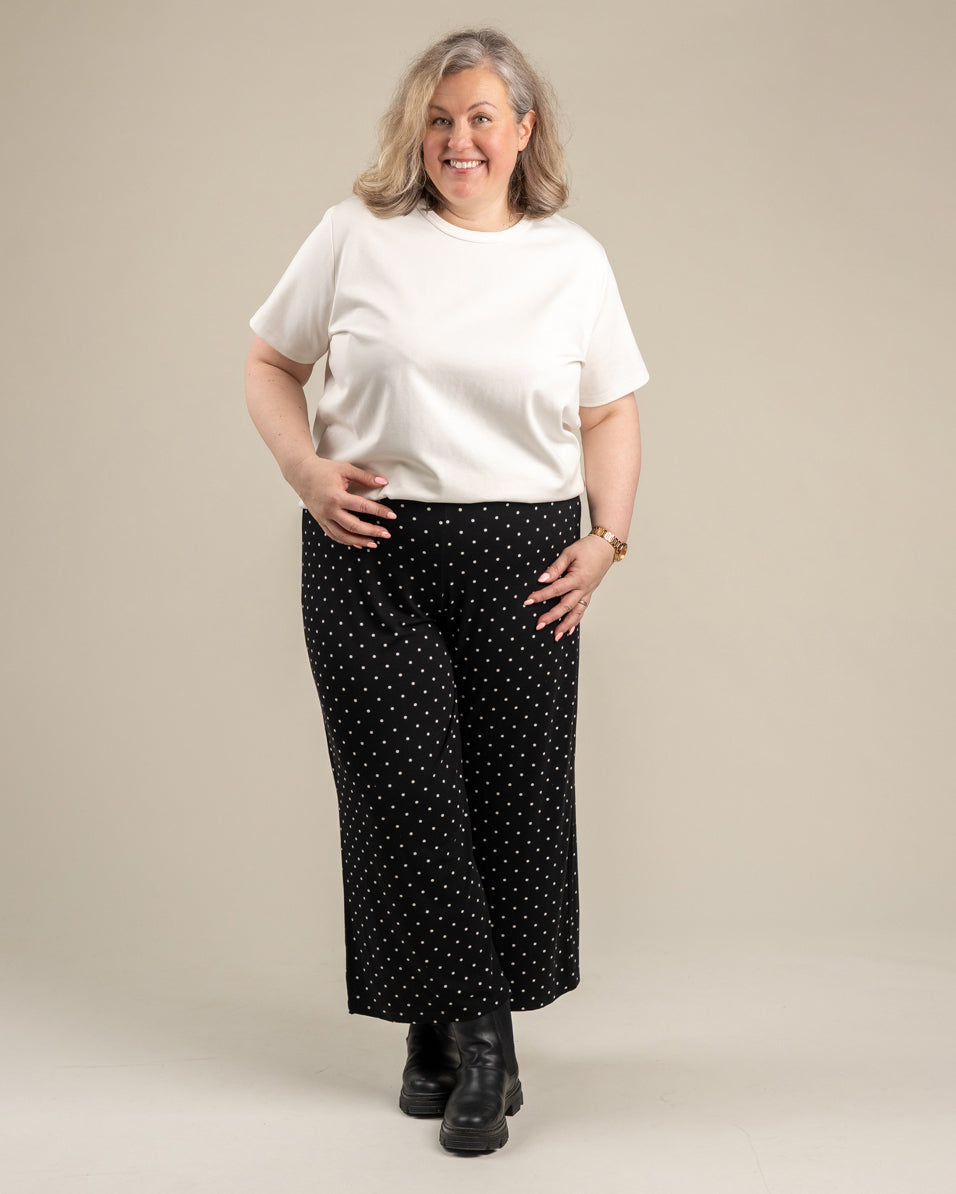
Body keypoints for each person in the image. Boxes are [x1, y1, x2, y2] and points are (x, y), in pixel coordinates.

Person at [244, 26, 649, 1154]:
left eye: (479, 118)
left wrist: (607, 539)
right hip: (370, 551)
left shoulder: (573, 260)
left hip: (524, 558)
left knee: (510, 800)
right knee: (406, 795)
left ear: (523, 131)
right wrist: (304, 469)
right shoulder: (354, 235)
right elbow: (271, 363)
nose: (457, 140)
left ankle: (434, 1029)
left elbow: (609, 409)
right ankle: (486, 1047)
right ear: (413, 131)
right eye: (437, 119)